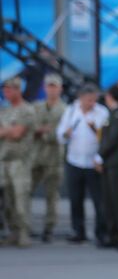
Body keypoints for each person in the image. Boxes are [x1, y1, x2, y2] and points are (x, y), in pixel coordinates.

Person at [57, 83, 109, 244]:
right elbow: (59, 134)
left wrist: (95, 129)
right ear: (80, 98)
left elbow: (106, 138)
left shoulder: (102, 112)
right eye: (88, 100)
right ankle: (78, 230)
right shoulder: (71, 111)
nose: (91, 103)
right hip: (74, 161)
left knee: (98, 199)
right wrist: (65, 134)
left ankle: (101, 232)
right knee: (75, 198)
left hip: (93, 162)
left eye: (94, 100)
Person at [0, 77, 36, 247]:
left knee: (21, 198)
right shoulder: (4, 111)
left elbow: (18, 134)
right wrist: (9, 130)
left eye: (9, 89)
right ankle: (13, 232)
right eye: (4, 89)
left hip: (20, 161)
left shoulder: (27, 110)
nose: (6, 92)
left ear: (18, 90)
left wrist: (6, 131)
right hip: (4, 160)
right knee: (8, 200)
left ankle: (23, 233)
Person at [31, 73, 65, 242]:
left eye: (55, 86)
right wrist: (45, 130)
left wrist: (44, 131)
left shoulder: (65, 109)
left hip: (54, 158)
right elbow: (31, 127)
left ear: (60, 88)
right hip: (36, 156)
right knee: (24, 191)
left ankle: (49, 227)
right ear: (44, 88)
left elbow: (58, 134)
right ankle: (23, 225)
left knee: (52, 195)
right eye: (49, 86)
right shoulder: (37, 106)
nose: (51, 90)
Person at [98, 83, 118, 248]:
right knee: (108, 200)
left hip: (115, 162)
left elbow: (112, 139)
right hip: (108, 162)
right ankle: (112, 234)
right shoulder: (111, 114)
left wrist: (99, 156)